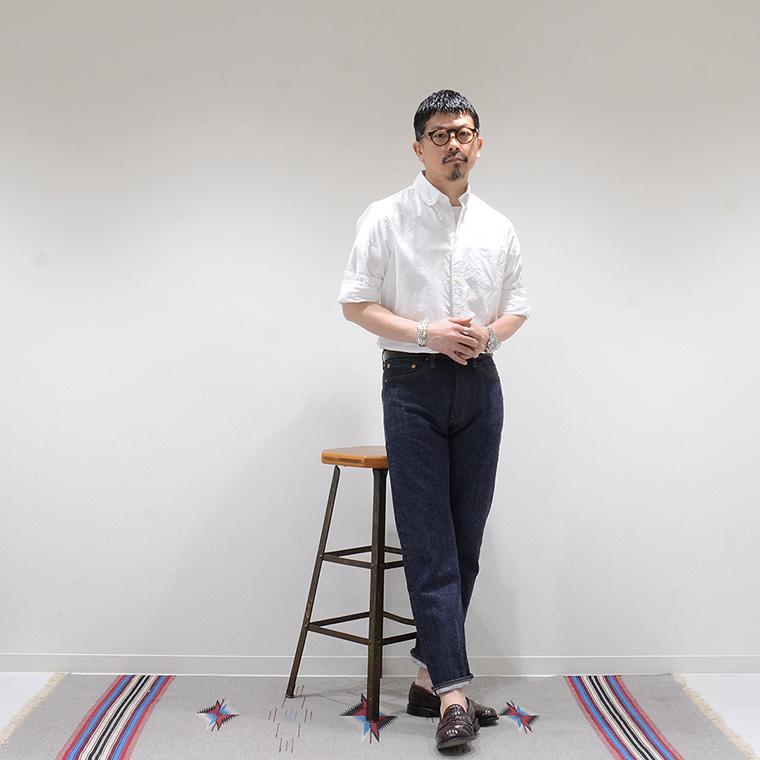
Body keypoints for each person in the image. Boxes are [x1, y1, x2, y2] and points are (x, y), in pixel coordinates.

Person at [337, 89, 531, 750]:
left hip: (480, 383)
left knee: (465, 539)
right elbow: (356, 304)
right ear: (418, 147)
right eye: (441, 134)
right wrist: (428, 333)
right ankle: (453, 695)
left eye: (464, 133)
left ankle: (426, 679)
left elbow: (518, 305)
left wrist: (489, 337)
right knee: (429, 541)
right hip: (413, 385)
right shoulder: (385, 217)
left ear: (480, 145)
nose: (454, 144)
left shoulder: (498, 226)